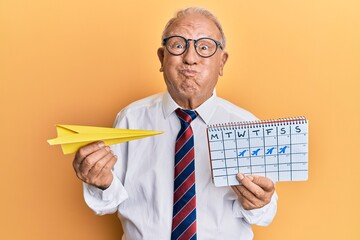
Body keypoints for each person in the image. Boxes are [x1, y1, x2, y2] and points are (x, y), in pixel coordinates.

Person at [73, 6, 277, 240]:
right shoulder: (130, 118)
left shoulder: (247, 126)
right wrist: (101, 183)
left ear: (222, 62)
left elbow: (265, 215)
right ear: (162, 57)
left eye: (204, 47)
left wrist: (260, 203)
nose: (190, 58)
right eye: (179, 45)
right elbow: (107, 203)